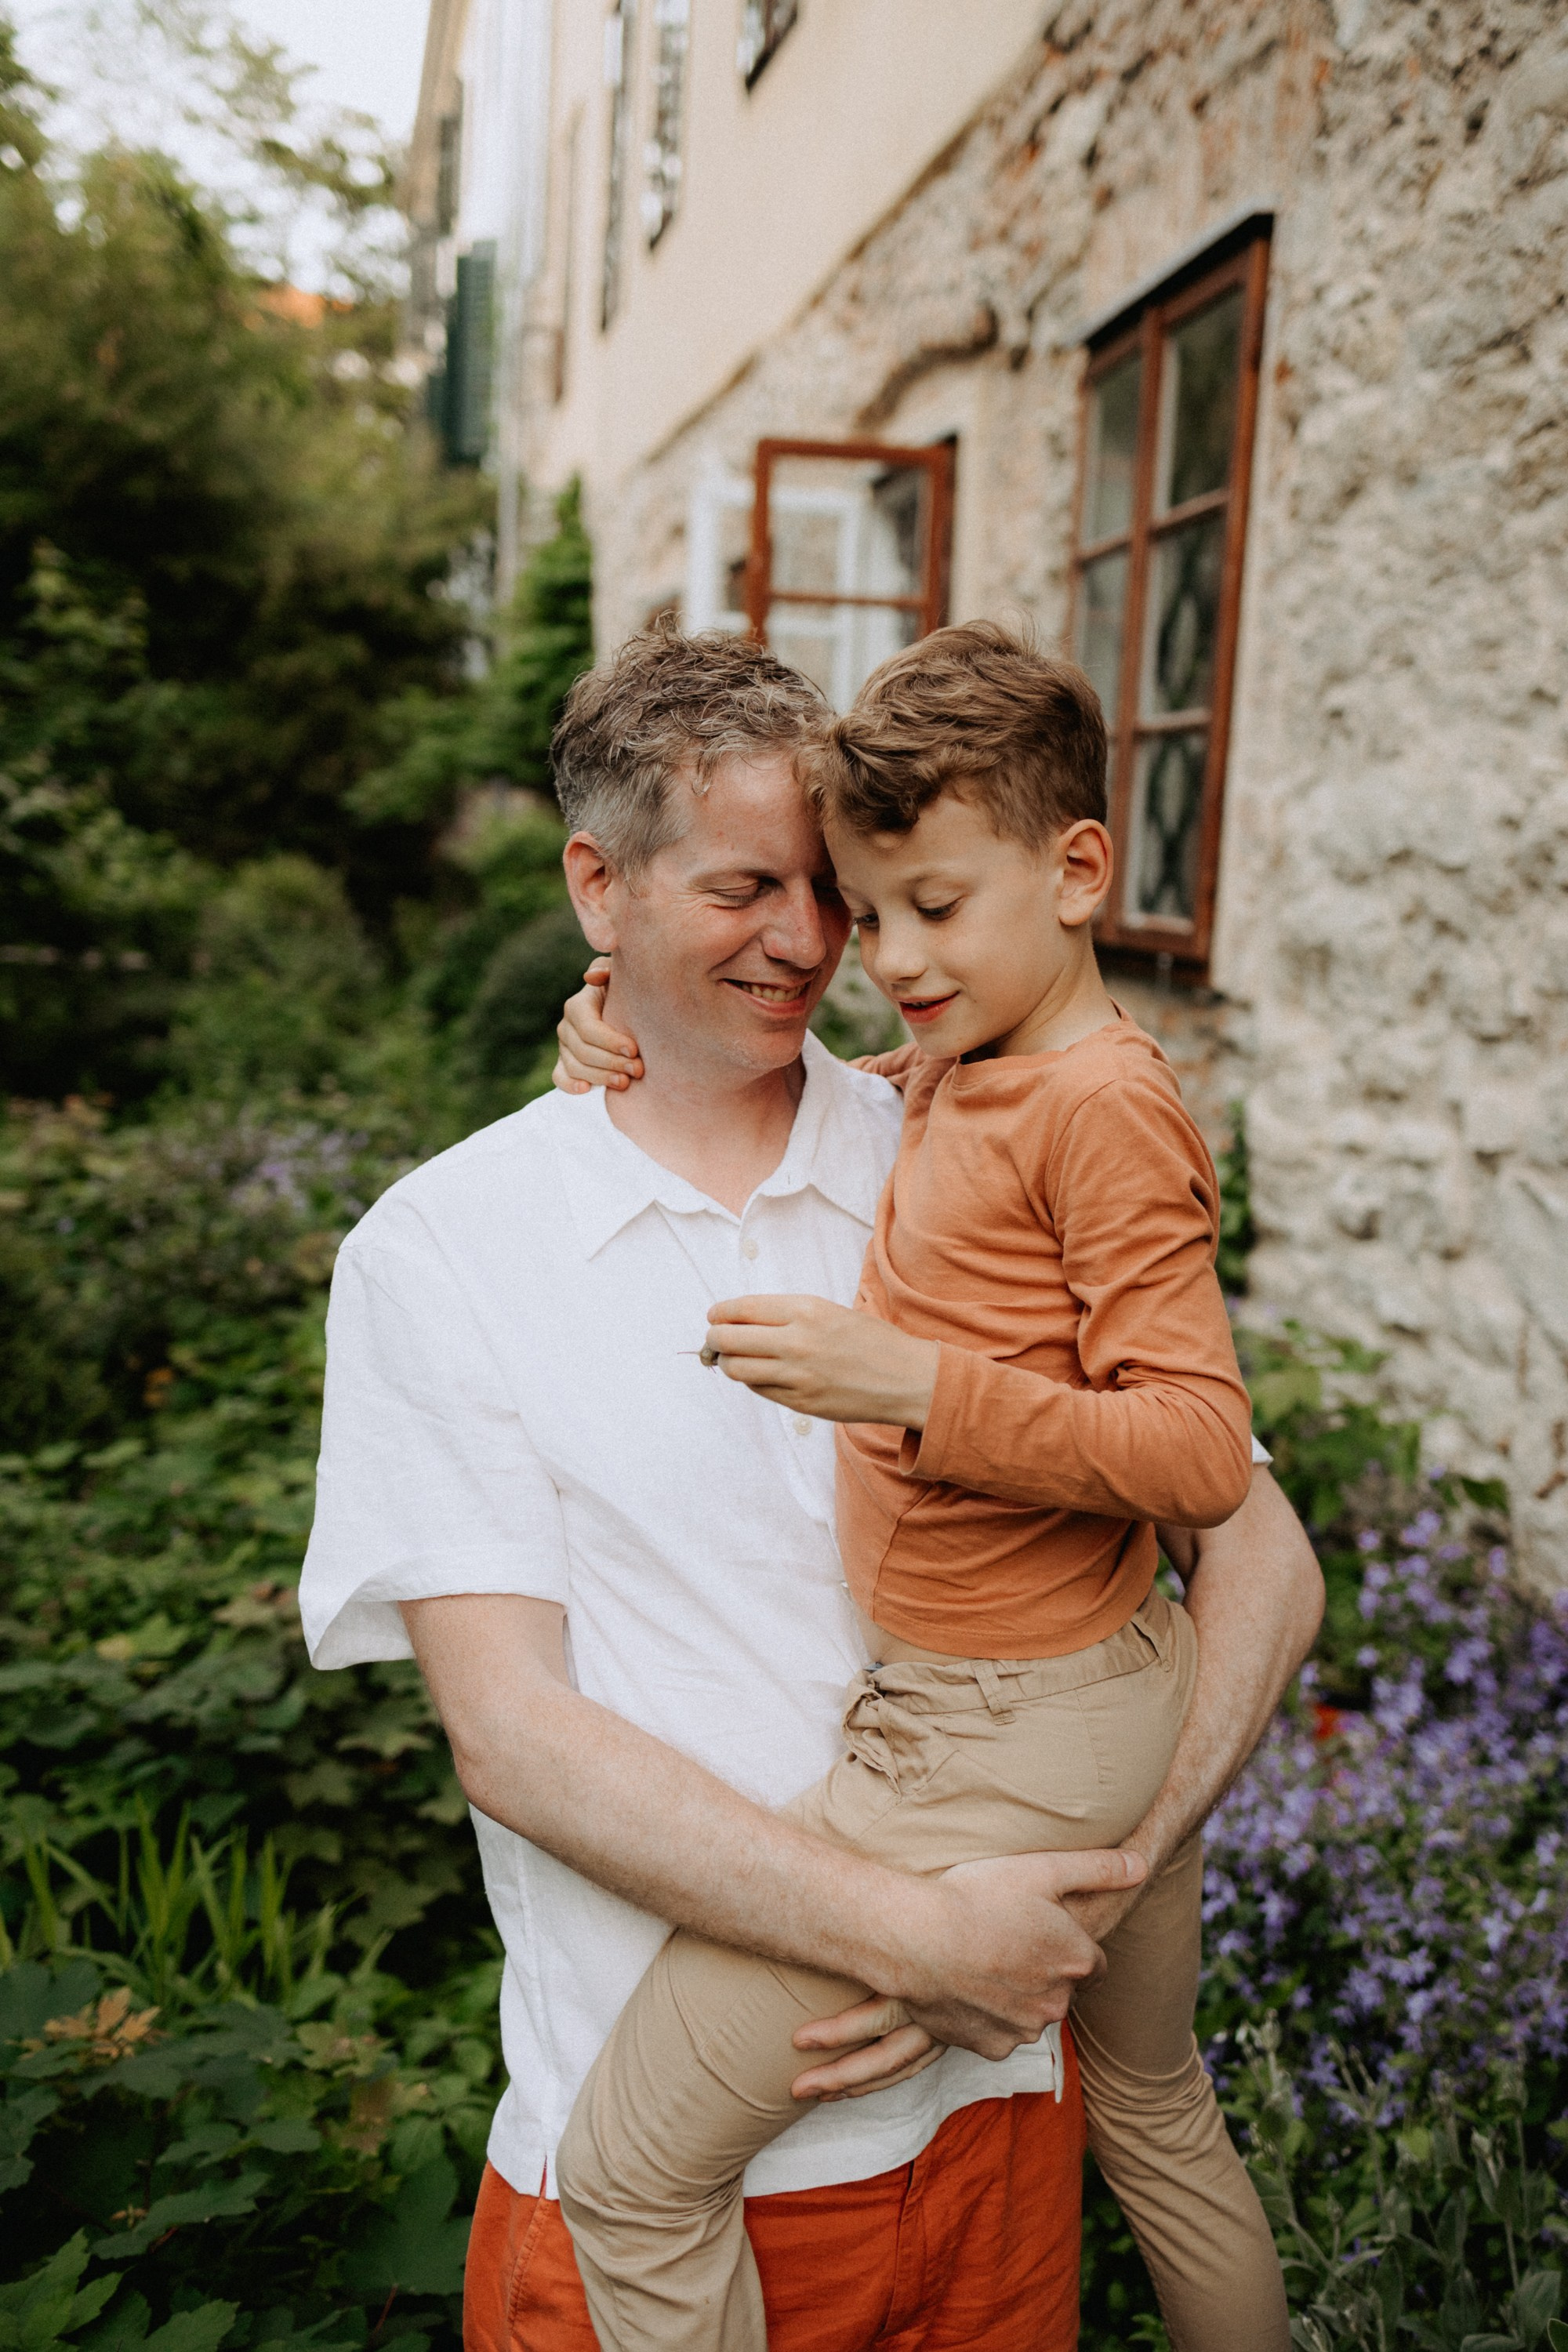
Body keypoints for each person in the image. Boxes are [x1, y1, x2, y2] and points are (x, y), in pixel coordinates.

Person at [299, 625, 1322, 2352]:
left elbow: (1263, 1558)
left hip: (994, 2120)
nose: (812, 944)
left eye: (834, 894)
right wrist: (915, 1934)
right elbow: (515, 1738)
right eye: (744, 888)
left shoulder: (944, 1122)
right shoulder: (446, 1251)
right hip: (670, 2188)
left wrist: (1107, 1871)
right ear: (593, 889)